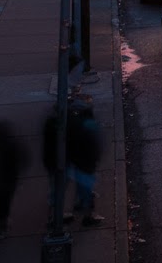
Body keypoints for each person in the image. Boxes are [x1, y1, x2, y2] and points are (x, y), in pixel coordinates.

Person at [0, 119, 28, 240]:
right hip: (8, 182)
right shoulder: (11, 144)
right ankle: (3, 225)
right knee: (5, 203)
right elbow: (22, 158)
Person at [65, 95, 103, 226]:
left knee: (83, 186)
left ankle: (82, 206)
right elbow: (95, 144)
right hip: (86, 162)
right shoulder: (88, 125)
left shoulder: (72, 124)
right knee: (86, 187)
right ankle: (88, 216)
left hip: (79, 161)